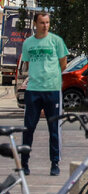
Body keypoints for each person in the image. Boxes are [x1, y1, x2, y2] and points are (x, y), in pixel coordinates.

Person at [17, 11, 68, 176]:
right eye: (42, 23)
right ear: (35, 24)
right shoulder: (28, 43)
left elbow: (63, 64)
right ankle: (24, 163)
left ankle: (55, 163)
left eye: (47, 22)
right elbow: (26, 64)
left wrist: (52, 77)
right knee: (29, 128)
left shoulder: (56, 41)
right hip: (33, 90)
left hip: (52, 90)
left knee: (54, 128)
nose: (45, 26)